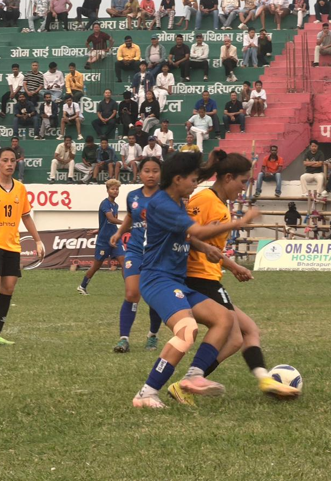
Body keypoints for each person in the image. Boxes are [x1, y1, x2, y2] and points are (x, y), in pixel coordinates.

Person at [167, 150, 297, 405]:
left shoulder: (219, 203)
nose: (243, 188)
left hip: (209, 277)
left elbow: (210, 246)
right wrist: (210, 252)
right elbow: (185, 234)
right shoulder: (205, 199)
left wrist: (233, 265)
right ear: (228, 177)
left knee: (247, 331)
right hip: (197, 278)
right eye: (243, 181)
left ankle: (260, 378)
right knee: (237, 335)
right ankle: (192, 379)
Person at [131, 151, 258, 409]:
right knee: (187, 329)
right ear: (178, 179)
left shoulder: (176, 201)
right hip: (157, 279)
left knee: (224, 318)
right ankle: (146, 394)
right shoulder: (163, 204)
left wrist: (205, 247)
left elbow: (188, 236)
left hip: (176, 281)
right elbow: (197, 230)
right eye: (192, 180)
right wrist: (238, 223)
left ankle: (194, 375)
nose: (195, 185)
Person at [0, 148, 44, 346]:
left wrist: (38, 241)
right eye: (5, 160)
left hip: (12, 246)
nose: (9, 164)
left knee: (8, 288)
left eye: (12, 160)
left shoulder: (20, 188)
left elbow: (26, 216)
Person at [107, 158, 163, 353]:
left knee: (155, 297)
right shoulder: (132, 196)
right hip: (135, 250)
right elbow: (131, 216)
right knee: (132, 293)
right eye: (146, 171)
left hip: (157, 253)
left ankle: (152, 335)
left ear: (161, 174)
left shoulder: (167, 196)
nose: (151, 175)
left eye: (155, 171)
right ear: (139, 173)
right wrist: (119, 232)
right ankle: (124, 339)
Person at [77, 179, 124, 295]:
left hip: (115, 239)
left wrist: (99, 229)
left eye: (117, 189)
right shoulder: (105, 204)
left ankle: (130, 289)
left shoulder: (116, 205)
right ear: (107, 190)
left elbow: (109, 223)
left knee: (124, 263)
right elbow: (111, 219)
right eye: (112, 189)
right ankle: (82, 286)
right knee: (96, 266)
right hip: (104, 241)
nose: (115, 191)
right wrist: (126, 223)